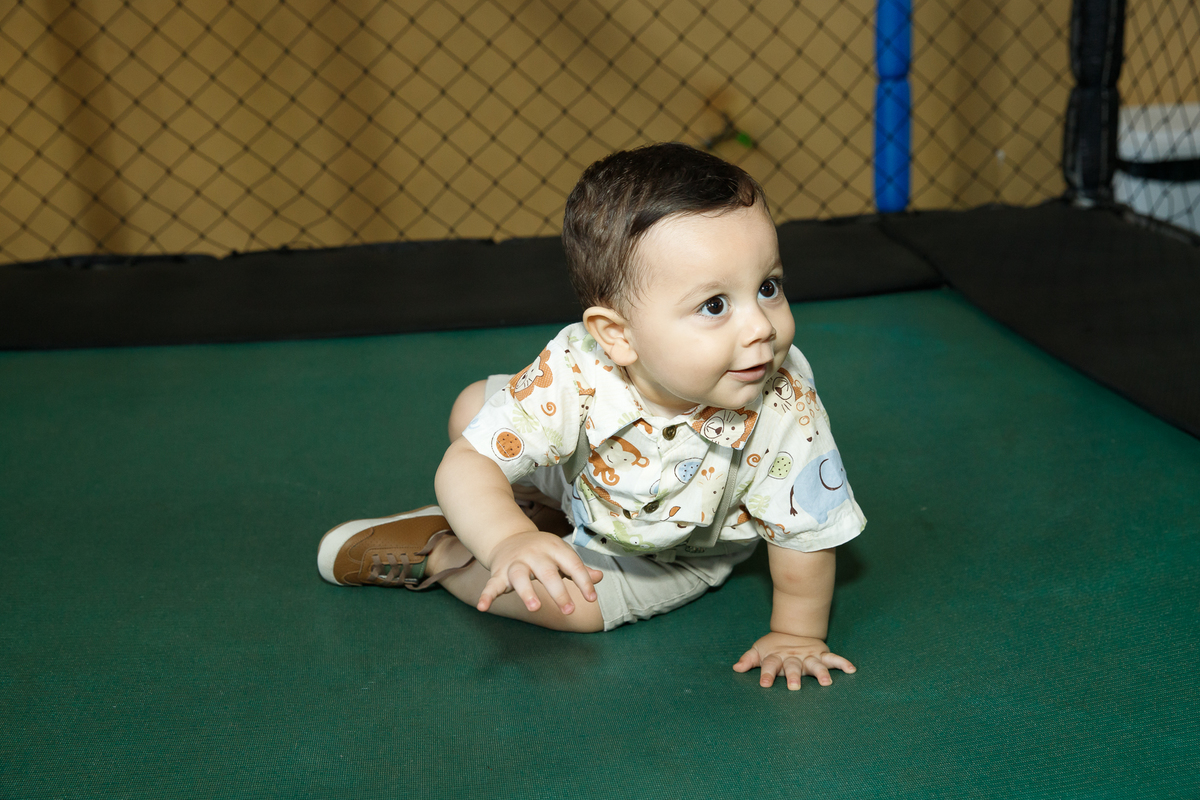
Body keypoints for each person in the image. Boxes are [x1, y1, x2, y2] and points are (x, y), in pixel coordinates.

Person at [317, 142, 866, 690]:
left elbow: (805, 533)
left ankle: (443, 554)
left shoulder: (782, 402)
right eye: (714, 305)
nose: (761, 328)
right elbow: (466, 462)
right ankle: (527, 518)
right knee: (472, 410)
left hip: (668, 550)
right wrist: (507, 540)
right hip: (586, 478)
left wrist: (796, 634)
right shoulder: (580, 364)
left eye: (768, 288)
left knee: (568, 606)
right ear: (617, 336)